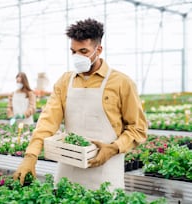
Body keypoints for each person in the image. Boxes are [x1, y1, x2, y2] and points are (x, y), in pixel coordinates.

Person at [13, 18, 147, 191]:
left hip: (105, 170)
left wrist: (113, 148)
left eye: (83, 51)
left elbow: (138, 128)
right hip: (68, 167)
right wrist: (30, 156)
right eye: (73, 51)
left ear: (98, 50)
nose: (78, 57)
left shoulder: (122, 83)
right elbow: (47, 121)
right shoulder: (64, 81)